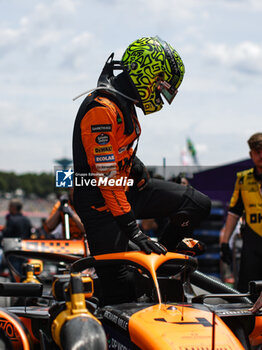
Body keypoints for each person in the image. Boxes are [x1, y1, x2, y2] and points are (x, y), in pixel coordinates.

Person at [72, 36, 211, 304]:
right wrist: (134, 232)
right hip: (100, 207)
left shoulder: (124, 103)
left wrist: (137, 168)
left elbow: (117, 153)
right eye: (162, 86)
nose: (162, 94)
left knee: (196, 202)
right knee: (120, 292)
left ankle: (161, 260)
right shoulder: (100, 109)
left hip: (126, 194)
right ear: (146, 74)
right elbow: (106, 178)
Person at [220, 132, 262, 294]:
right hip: (252, 243)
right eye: (257, 152)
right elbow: (233, 213)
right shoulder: (243, 179)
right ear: (251, 154)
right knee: (248, 291)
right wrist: (224, 243)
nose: (261, 155)